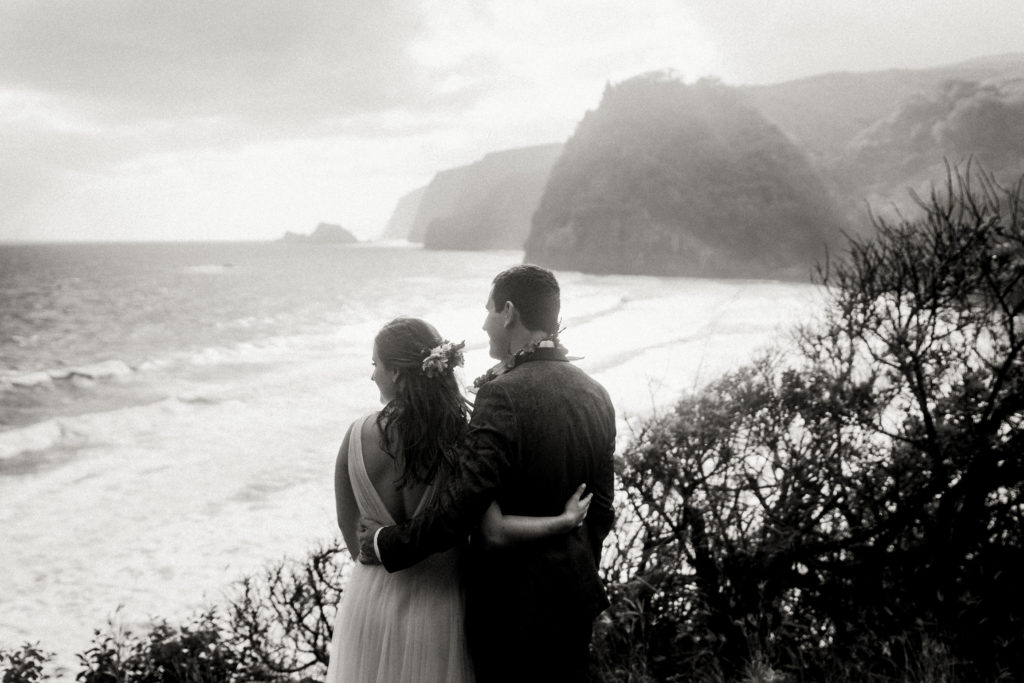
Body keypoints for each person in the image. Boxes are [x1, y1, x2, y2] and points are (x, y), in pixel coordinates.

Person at [359, 265, 617, 683]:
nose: (484, 323)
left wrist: (387, 544)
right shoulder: (596, 393)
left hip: (510, 608)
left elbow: (462, 505)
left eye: (488, 311)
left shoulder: (501, 394)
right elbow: (602, 510)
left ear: (509, 312)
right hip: (574, 599)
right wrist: (574, 568)